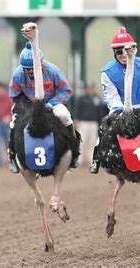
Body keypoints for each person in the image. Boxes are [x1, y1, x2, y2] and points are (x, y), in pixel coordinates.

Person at [7, 41, 79, 173]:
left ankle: (74, 150)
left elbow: (66, 90)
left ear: (40, 63)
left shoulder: (53, 71)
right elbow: (15, 94)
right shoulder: (18, 74)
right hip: (29, 105)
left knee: (64, 115)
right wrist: (25, 108)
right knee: (13, 121)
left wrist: (51, 104)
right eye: (26, 69)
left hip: (53, 102)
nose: (29, 72)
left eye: (32, 68)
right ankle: (12, 153)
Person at [90, 27, 140, 173]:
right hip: (121, 108)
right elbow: (112, 98)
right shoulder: (107, 72)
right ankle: (96, 158)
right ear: (114, 52)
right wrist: (123, 110)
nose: (123, 55)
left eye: (126, 50)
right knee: (104, 128)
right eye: (119, 51)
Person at [73, 81, 104, 165]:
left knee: (92, 142)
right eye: (89, 88)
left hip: (94, 123)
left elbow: (100, 111)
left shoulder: (97, 98)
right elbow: (77, 109)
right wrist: (76, 119)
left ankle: (90, 160)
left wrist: (100, 122)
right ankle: (79, 159)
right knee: (82, 141)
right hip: (83, 122)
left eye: (92, 88)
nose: (90, 89)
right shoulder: (81, 98)